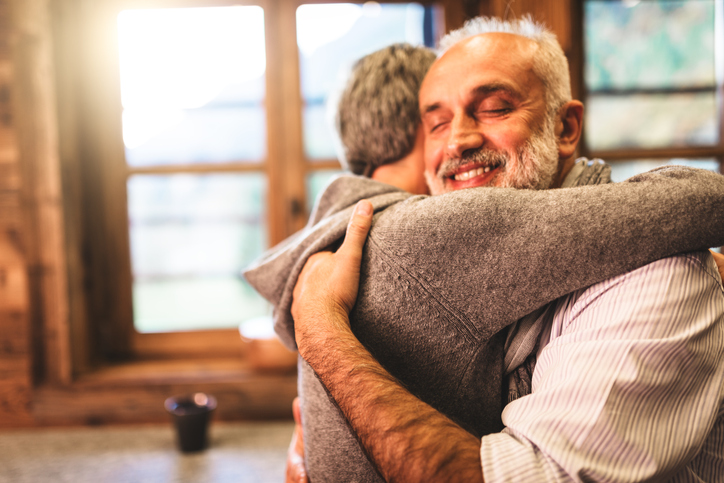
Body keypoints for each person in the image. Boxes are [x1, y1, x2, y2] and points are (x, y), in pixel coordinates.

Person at [285, 17, 724, 482]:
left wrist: (320, 331)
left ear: (567, 127)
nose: (459, 139)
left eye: (494, 108)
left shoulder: (653, 274)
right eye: (436, 123)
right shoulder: (408, 241)